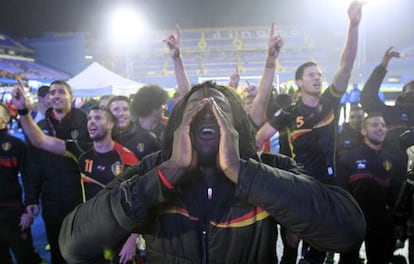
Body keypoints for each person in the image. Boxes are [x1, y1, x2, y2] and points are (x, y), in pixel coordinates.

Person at [58, 81, 366, 264]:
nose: (208, 115)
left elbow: (348, 231)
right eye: (197, 109)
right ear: (180, 124)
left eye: (219, 110)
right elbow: (72, 245)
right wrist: (167, 173)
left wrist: (241, 171)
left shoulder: (272, 170)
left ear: (236, 126)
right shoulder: (154, 170)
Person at [255, 1, 364, 263]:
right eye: (311, 74)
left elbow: (346, 66)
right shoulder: (289, 112)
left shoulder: (330, 101)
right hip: (300, 185)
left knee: (321, 245)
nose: (318, 78)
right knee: (291, 240)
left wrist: (354, 25)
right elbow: (259, 137)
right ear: (299, 82)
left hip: (328, 185)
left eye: (319, 74)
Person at [13, 86, 141, 264]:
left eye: (97, 118)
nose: (91, 122)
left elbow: (141, 201)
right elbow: (40, 140)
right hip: (89, 233)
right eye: (89, 118)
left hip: (118, 234)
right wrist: (22, 110)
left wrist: (133, 238)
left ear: (110, 124)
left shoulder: (127, 158)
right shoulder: (80, 150)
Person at [20, 80, 90, 264]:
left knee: (81, 252)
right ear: (48, 98)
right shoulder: (40, 126)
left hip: (79, 200)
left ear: (71, 97)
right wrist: (31, 199)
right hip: (51, 201)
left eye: (61, 91)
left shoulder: (85, 123)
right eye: (52, 92)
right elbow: (32, 167)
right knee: (57, 252)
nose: (56, 95)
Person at [337, 113, 405, 263]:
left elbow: (397, 195)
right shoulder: (348, 159)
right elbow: (340, 192)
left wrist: (398, 222)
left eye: (383, 125)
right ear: (363, 131)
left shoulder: (395, 160)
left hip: (382, 222)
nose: (380, 128)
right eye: (374, 125)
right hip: (354, 221)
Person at [0, 103, 44, 264]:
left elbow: (29, 177)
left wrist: (30, 207)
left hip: (14, 215)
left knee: (26, 257)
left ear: (6, 118)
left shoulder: (17, 145)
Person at [360, 46, 414, 157]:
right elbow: (368, 97)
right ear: (403, 94)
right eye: (412, 88)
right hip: (390, 168)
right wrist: (383, 65)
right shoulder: (389, 113)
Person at [108, 95, 160, 160]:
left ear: (130, 113)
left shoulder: (148, 138)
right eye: (116, 109)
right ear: (108, 114)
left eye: (125, 109)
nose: (121, 113)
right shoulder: (102, 139)